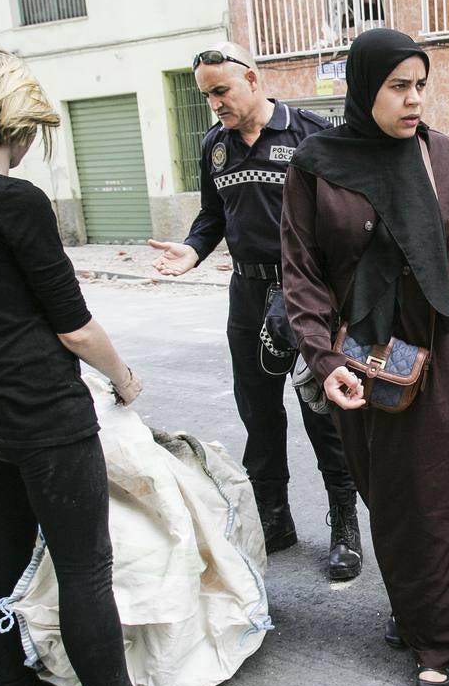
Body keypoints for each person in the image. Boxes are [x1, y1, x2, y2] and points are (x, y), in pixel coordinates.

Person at [0, 45, 217, 686]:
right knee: (84, 567)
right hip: (43, 412)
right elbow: (73, 325)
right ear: (15, 121)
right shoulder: (12, 199)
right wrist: (125, 377)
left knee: (2, 556)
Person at [280, 28, 449, 686]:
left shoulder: (442, 154)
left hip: (444, 345)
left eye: (420, 83)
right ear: (366, 89)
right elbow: (300, 274)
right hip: (364, 355)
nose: (414, 98)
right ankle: (425, 612)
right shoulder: (317, 163)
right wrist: (324, 357)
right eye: (398, 85)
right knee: (396, 501)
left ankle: (435, 645)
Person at [148, 42, 364, 580]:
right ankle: (276, 519)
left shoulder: (309, 133)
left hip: (306, 296)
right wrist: (193, 250)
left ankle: (344, 524)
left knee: (321, 412)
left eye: (221, 91)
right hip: (246, 297)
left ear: (251, 78)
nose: (214, 104)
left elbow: (346, 218)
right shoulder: (215, 145)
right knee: (258, 413)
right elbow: (211, 216)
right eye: (206, 96)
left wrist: (332, 298)